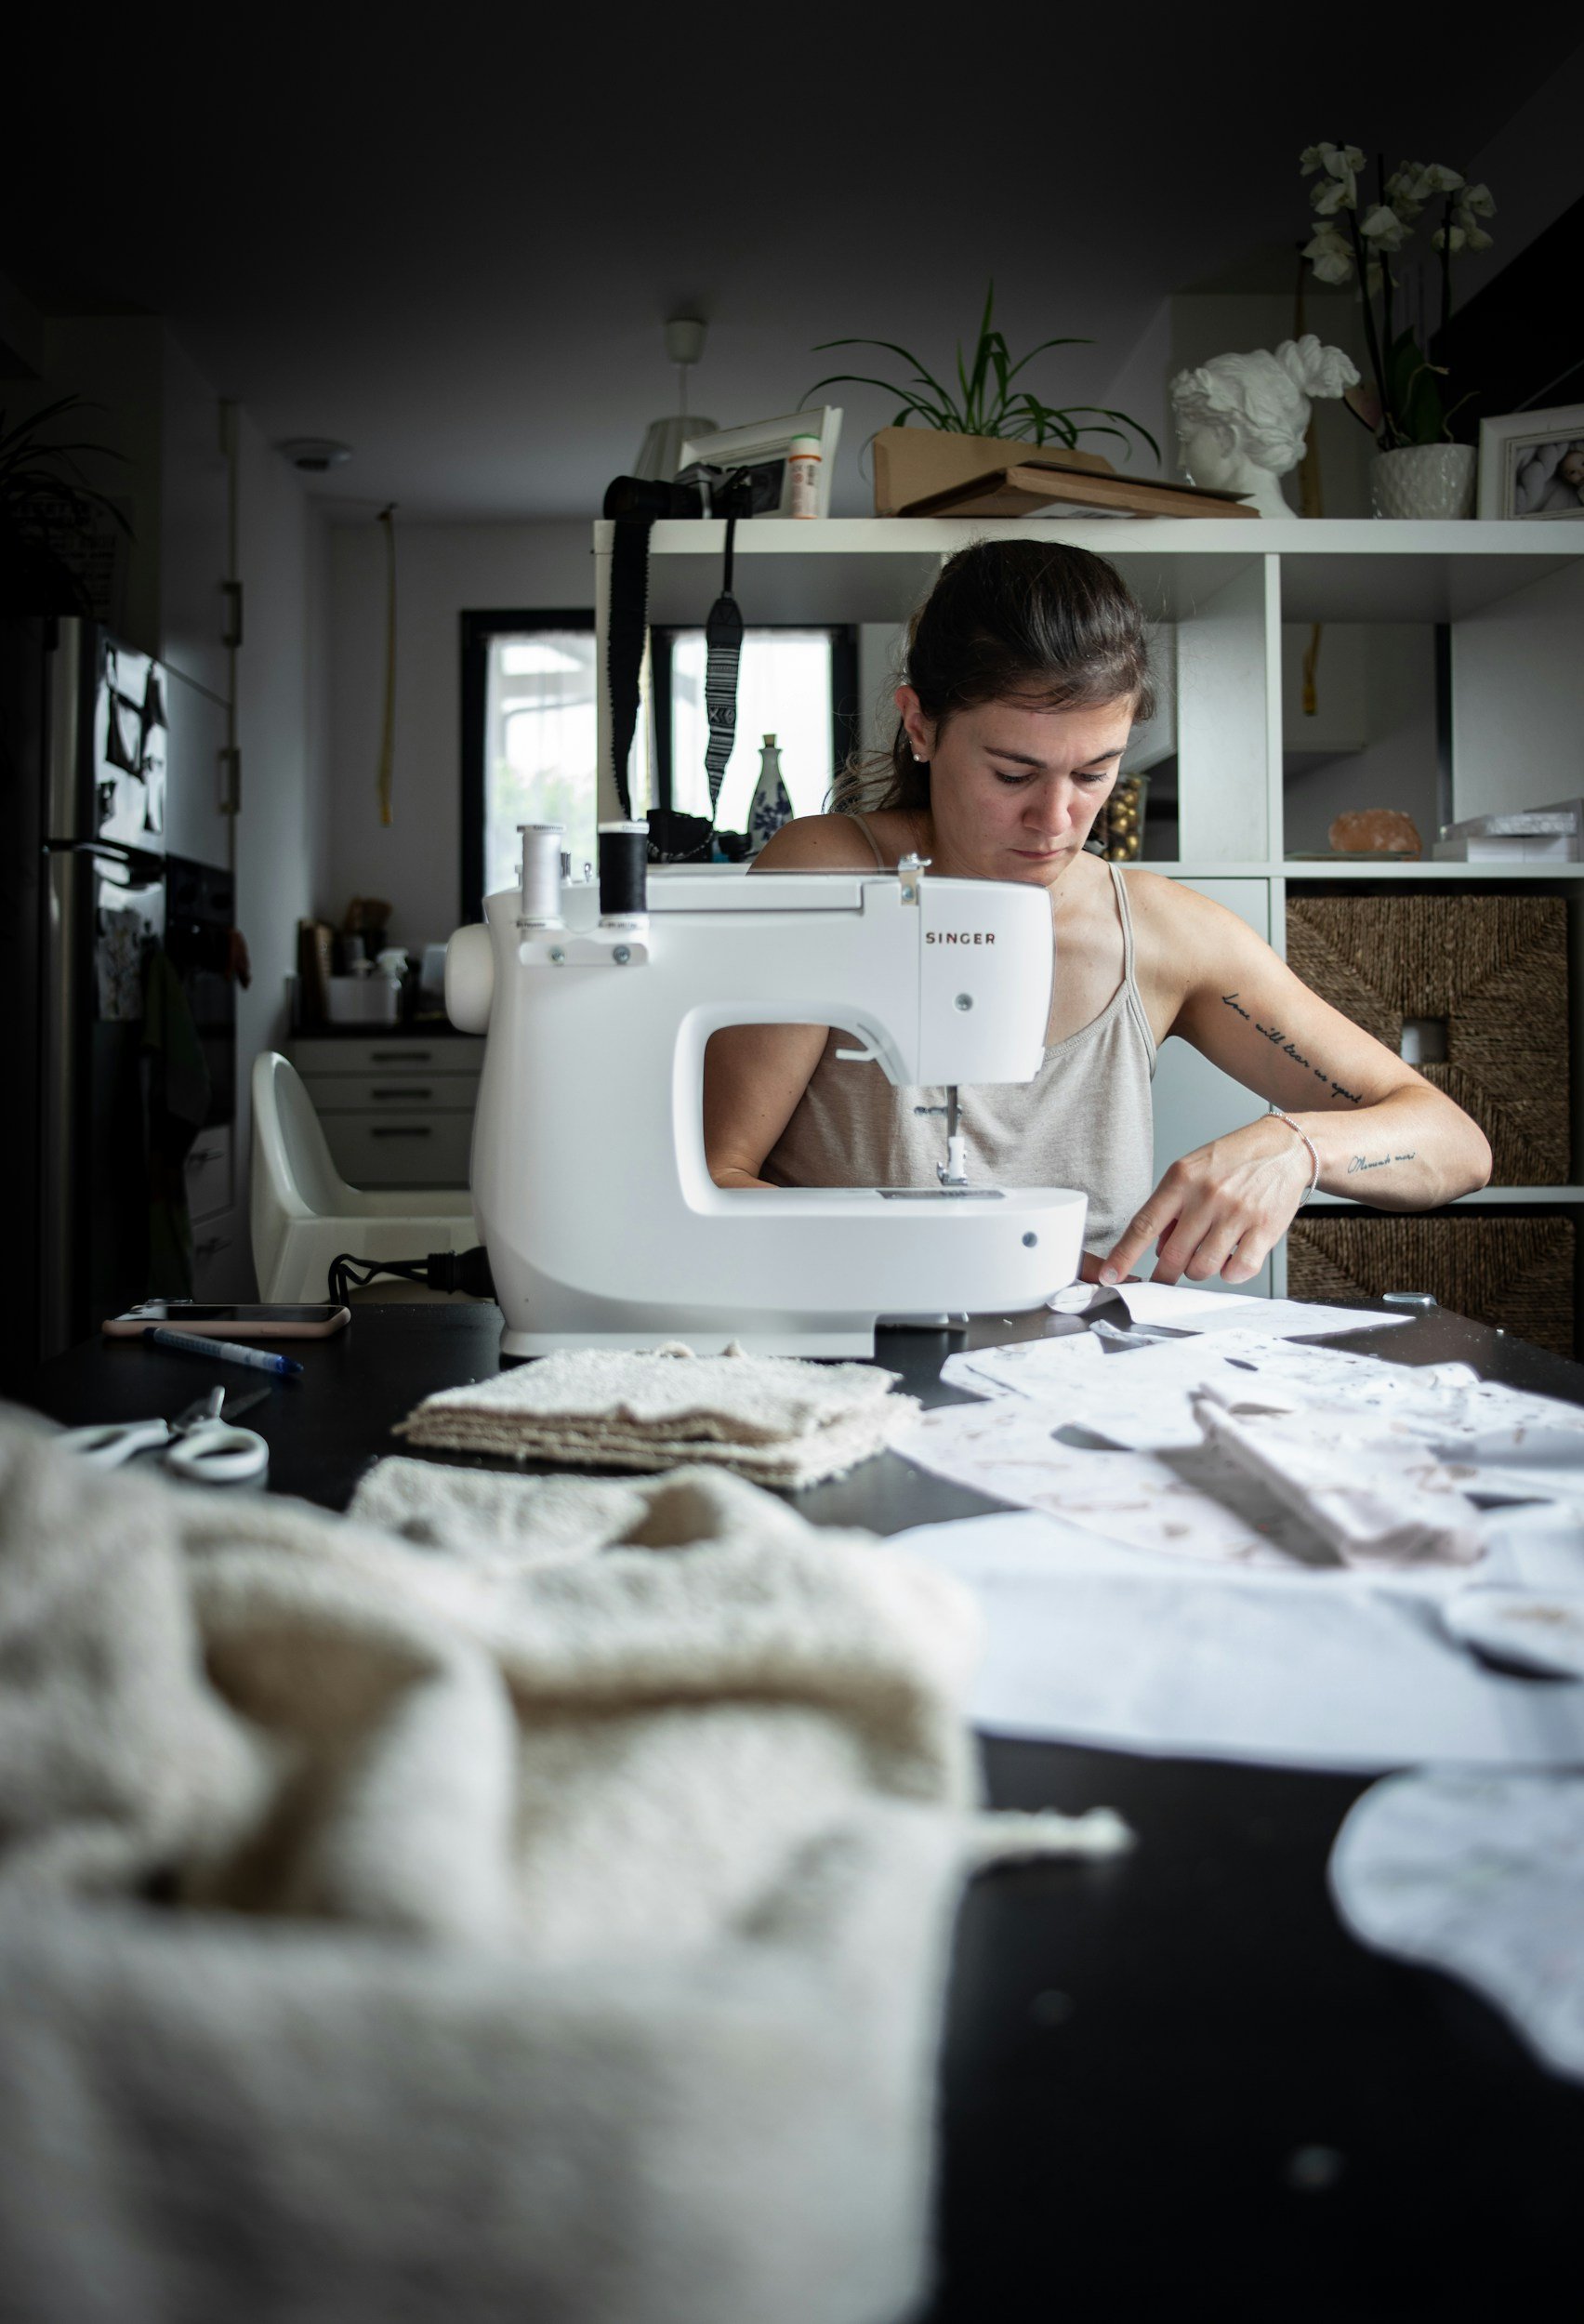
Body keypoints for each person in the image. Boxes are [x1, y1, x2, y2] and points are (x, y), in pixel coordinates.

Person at [702, 540, 1490, 1289]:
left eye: (1093, 773)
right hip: (849, 1338)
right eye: (1013, 774)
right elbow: (714, 1177)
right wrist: (947, 1255)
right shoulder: (829, 874)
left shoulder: (1164, 935)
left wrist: (1299, 1146)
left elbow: (1456, 1146)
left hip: (1079, 1354)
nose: (1055, 821)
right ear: (919, 725)